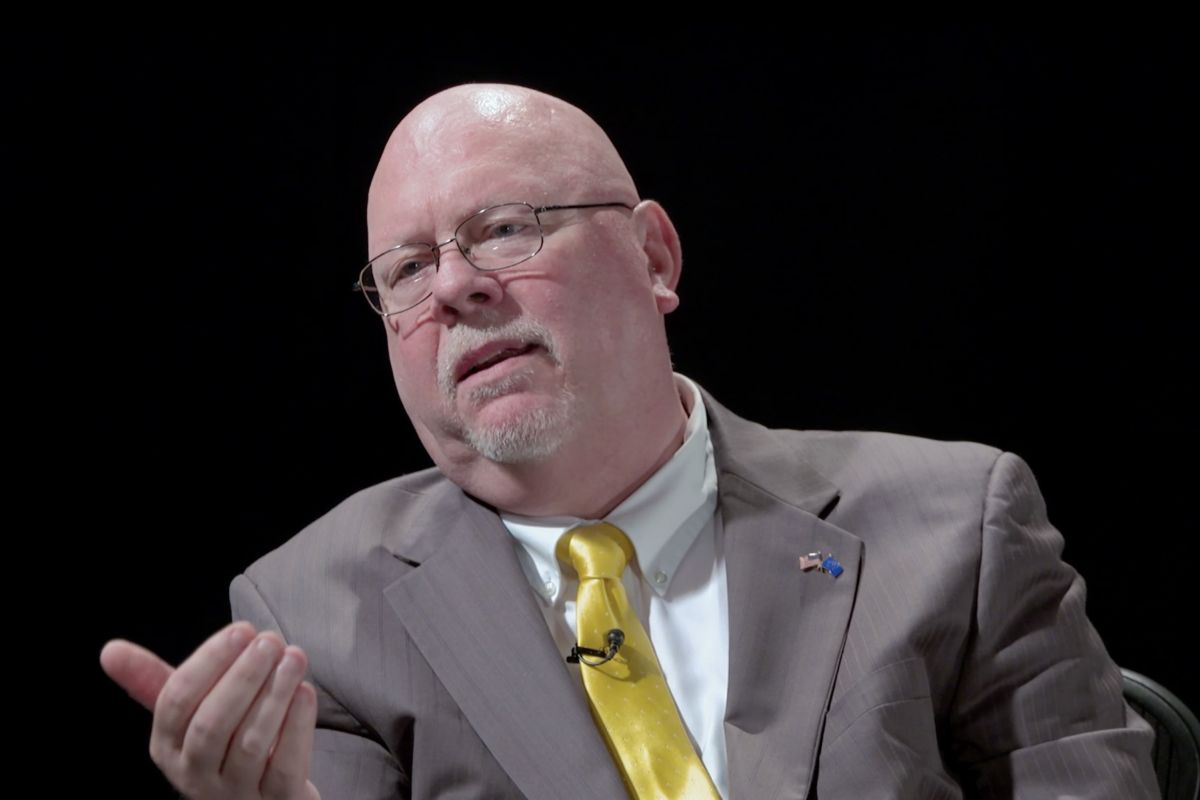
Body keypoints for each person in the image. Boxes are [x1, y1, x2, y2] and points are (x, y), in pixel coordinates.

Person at [101, 83, 1159, 799]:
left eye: (507, 226)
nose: (458, 285)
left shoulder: (953, 524)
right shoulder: (314, 618)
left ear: (654, 255)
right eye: (408, 270)